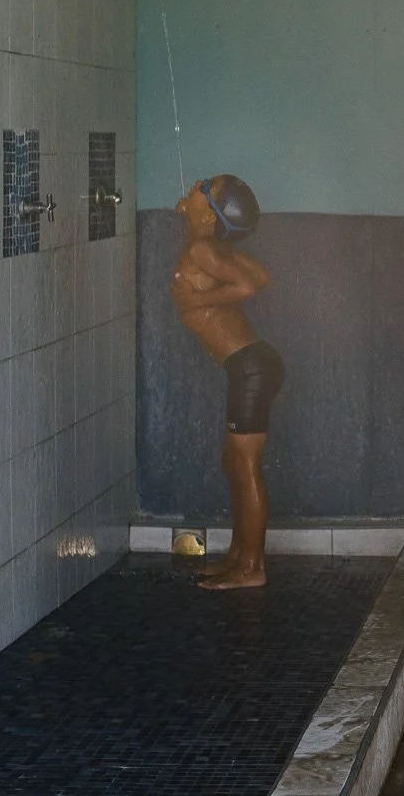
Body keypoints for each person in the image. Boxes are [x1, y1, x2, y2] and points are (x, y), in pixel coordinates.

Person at [171, 175, 284, 589]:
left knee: (245, 465)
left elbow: (250, 286)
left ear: (210, 215)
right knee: (232, 463)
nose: (197, 184)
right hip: (249, 366)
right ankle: (239, 556)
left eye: (206, 188)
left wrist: (196, 300)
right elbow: (262, 275)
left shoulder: (202, 249)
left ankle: (252, 568)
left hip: (251, 368)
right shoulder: (209, 247)